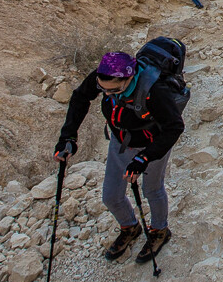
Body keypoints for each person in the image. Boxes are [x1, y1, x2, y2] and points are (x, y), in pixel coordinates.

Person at [54, 52, 184, 263]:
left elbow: (174, 127)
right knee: (111, 196)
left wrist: (144, 158)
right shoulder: (103, 77)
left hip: (153, 143)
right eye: (102, 88)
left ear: (129, 78)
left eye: (113, 90)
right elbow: (80, 97)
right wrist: (68, 136)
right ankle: (130, 227)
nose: (106, 93)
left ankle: (160, 231)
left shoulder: (154, 90)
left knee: (152, 189)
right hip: (120, 140)